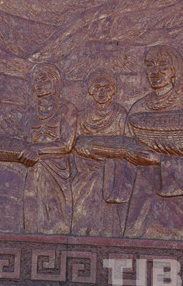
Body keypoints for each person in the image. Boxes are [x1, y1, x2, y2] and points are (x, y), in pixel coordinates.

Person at [123, 45, 183, 241]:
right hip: (143, 185)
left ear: (175, 71)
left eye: (163, 66)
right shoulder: (139, 107)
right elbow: (127, 143)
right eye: (150, 66)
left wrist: (162, 159)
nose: (155, 72)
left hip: (177, 185)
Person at [19, 63, 78, 234]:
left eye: (45, 80)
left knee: (57, 219)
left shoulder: (67, 109)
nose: (39, 84)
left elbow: (66, 144)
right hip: (34, 169)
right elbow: (23, 142)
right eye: (36, 80)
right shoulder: (29, 113)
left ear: (55, 84)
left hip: (58, 171)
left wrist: (36, 149)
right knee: (32, 217)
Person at [71, 69, 128, 237]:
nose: (102, 92)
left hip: (111, 173)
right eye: (97, 88)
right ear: (90, 90)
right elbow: (74, 144)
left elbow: (126, 145)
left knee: (109, 218)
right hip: (85, 172)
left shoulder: (120, 114)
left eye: (107, 88)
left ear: (114, 90)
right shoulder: (82, 116)